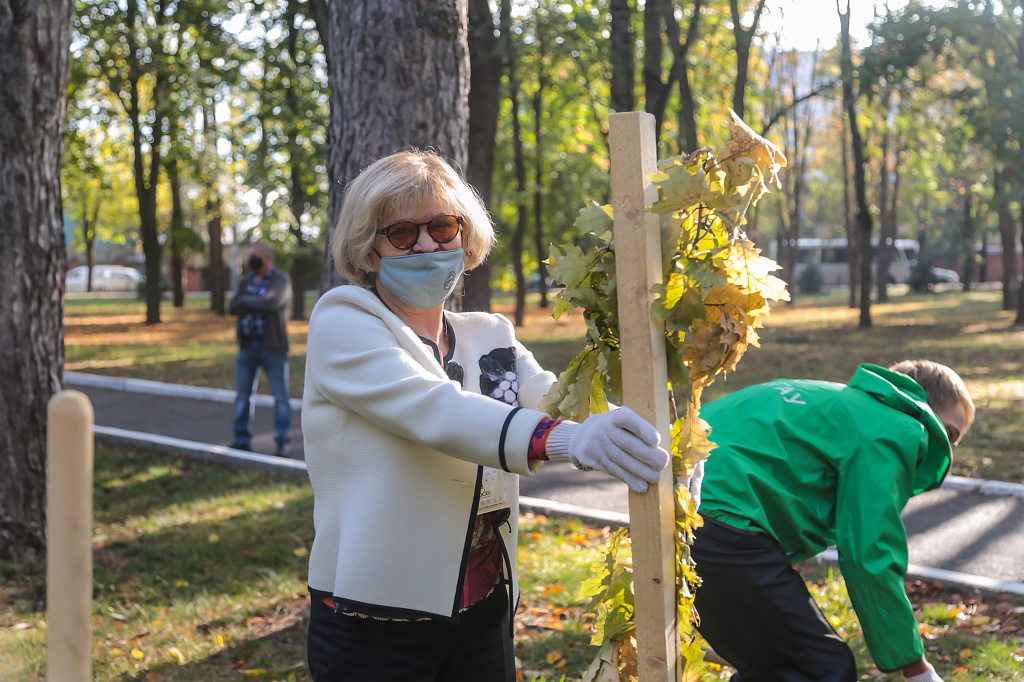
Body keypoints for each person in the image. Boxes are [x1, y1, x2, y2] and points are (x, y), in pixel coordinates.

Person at [301, 149, 670, 681]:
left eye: (442, 226)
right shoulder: (345, 321)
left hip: (484, 603)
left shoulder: (488, 335)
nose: (426, 243)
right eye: (401, 233)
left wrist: (644, 436)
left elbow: (557, 399)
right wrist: (568, 441)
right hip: (375, 616)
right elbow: (436, 409)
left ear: (464, 235)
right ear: (369, 249)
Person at [691, 360, 975, 682]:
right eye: (949, 434)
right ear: (924, 410)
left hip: (682, 511)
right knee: (822, 669)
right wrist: (915, 668)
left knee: (774, 666)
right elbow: (870, 554)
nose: (948, 450)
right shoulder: (894, 428)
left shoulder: (834, 402)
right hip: (723, 524)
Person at [228, 241, 293, 457]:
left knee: (281, 397)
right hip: (248, 345)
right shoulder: (246, 280)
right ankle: (241, 439)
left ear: (266, 257)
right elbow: (232, 306)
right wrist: (254, 300)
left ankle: (282, 440)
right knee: (243, 396)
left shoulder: (281, 280)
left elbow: (272, 303)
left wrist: (246, 301)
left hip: (273, 347)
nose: (251, 258)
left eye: (254, 255)